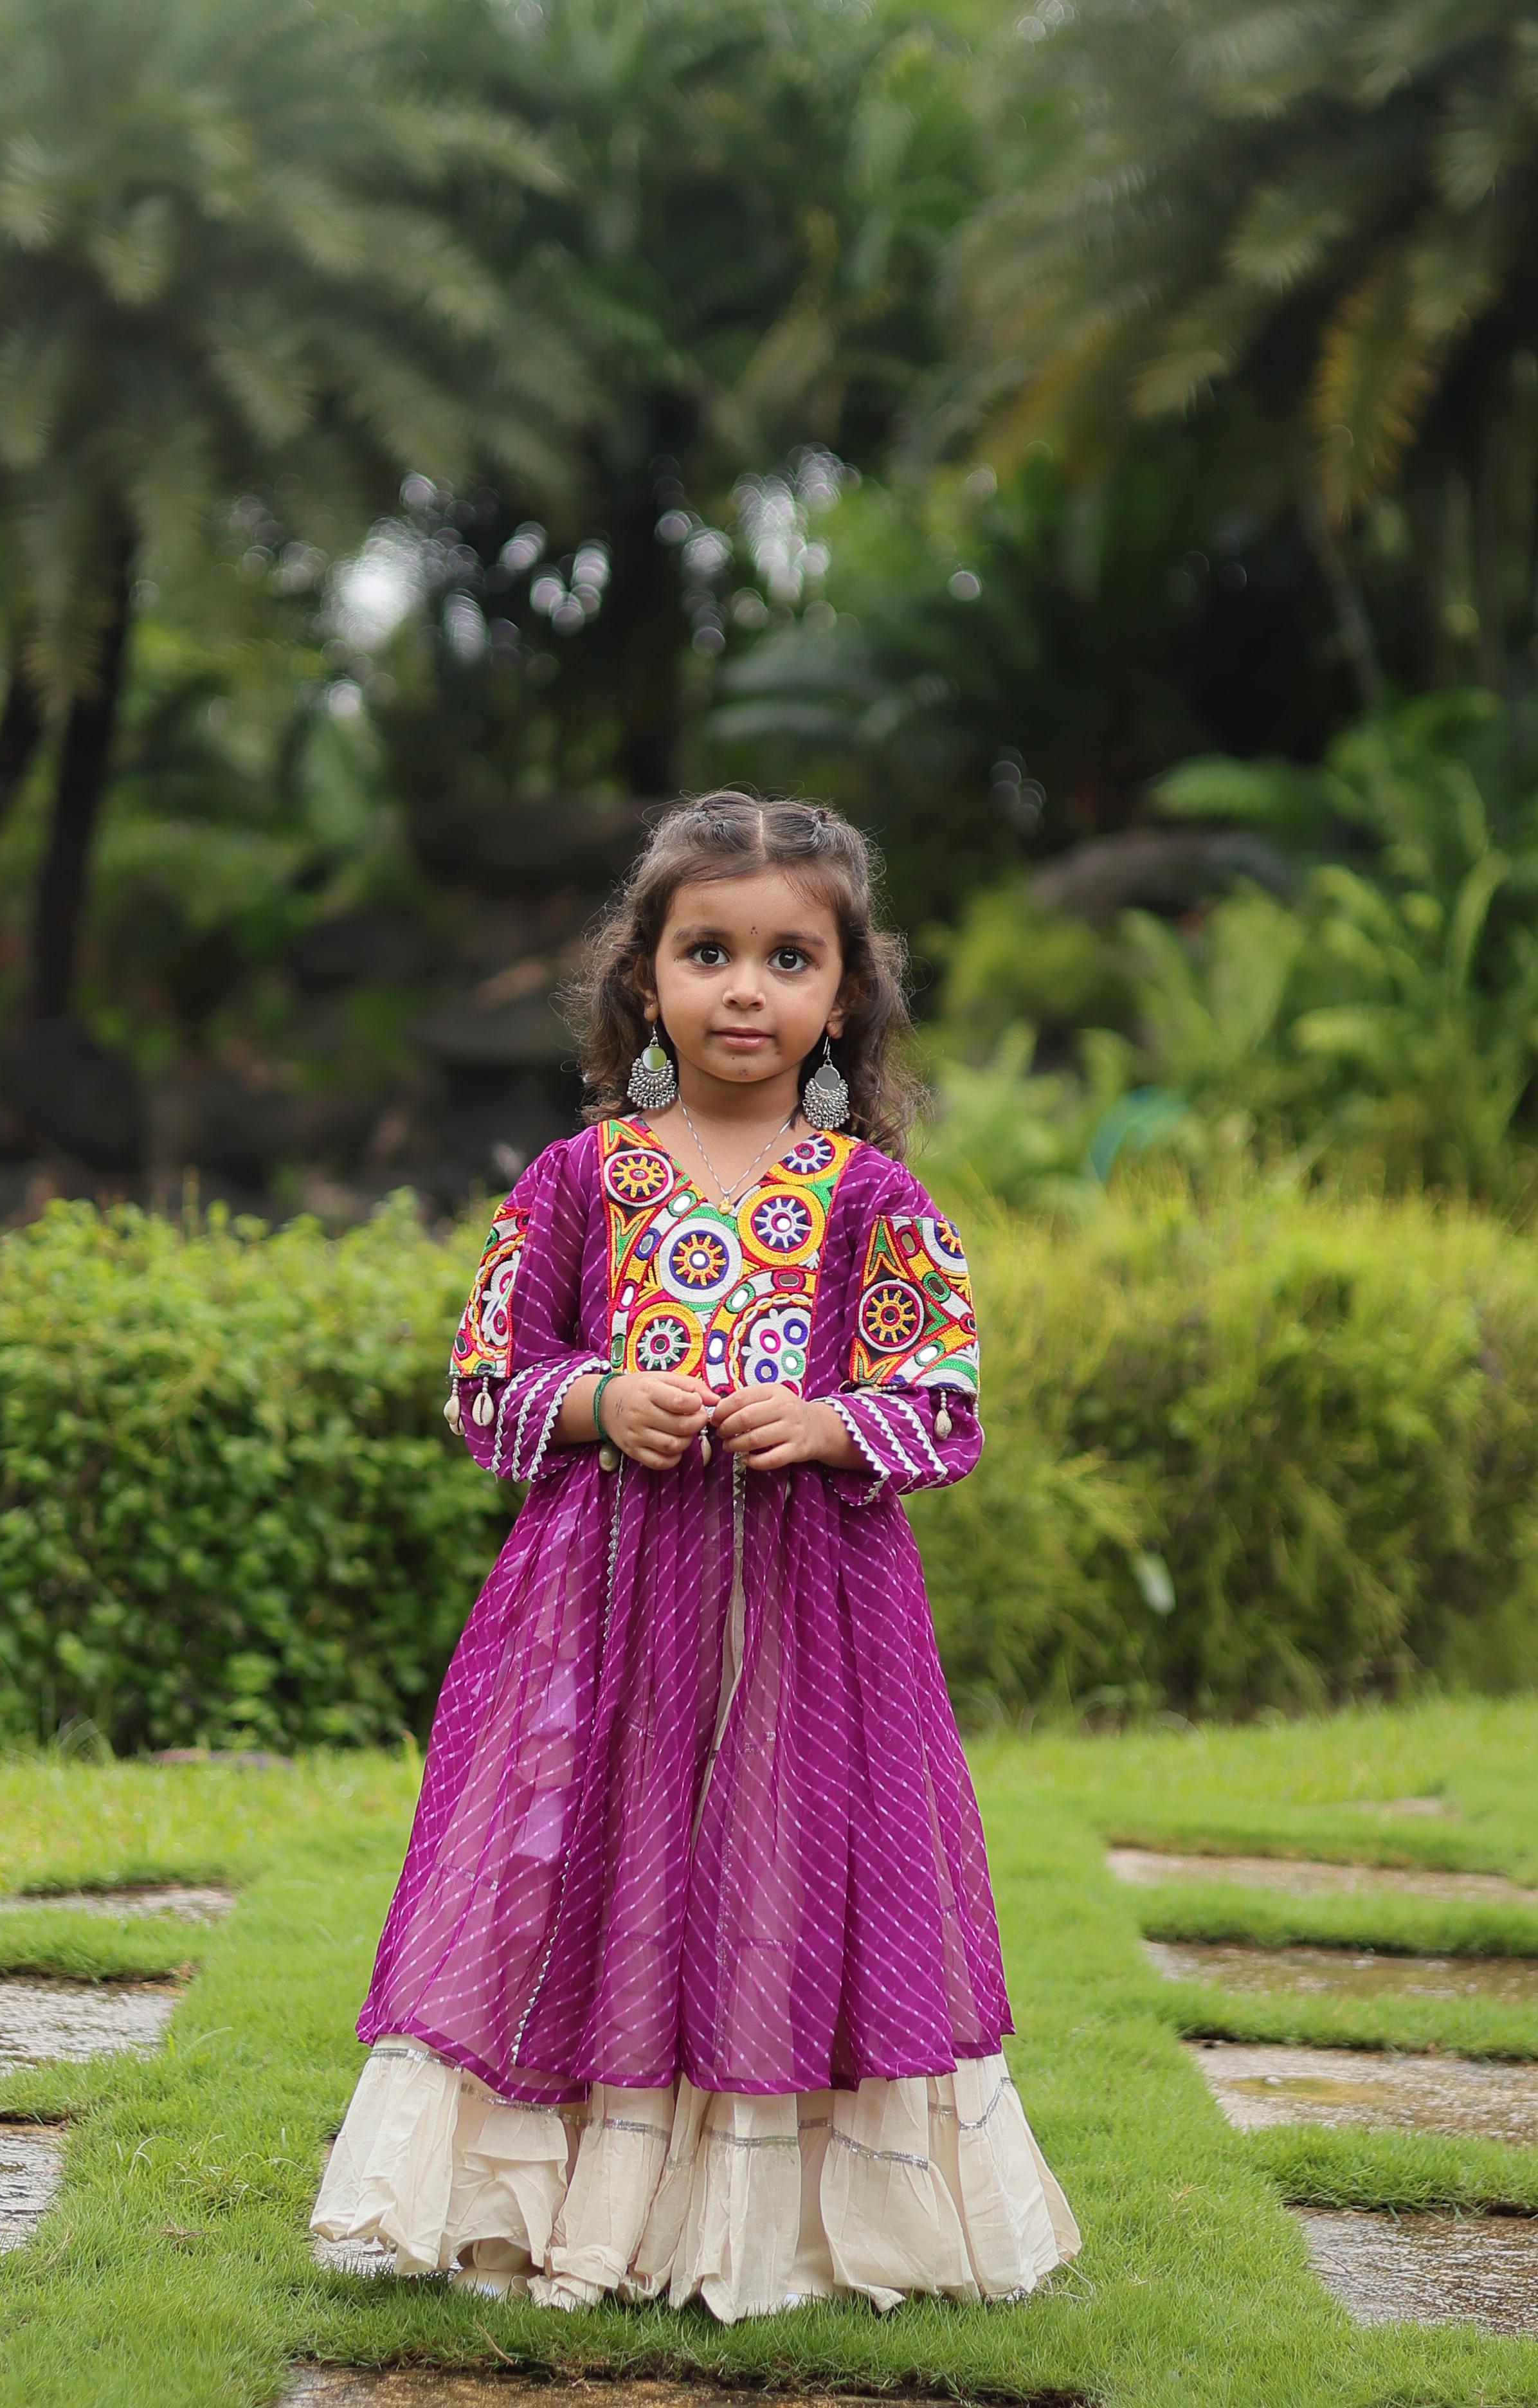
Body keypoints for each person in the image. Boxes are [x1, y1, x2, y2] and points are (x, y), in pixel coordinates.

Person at [311, 792, 1080, 2320]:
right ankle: (544, 2203)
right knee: (590, 1871)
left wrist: (826, 1424)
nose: (747, 988)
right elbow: (485, 1378)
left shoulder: (876, 1202)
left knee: (776, 1877)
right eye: (709, 952)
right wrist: (599, 1400)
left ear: (845, 995)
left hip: (807, 1620)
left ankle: (765, 2218)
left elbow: (941, 1402)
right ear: (643, 981)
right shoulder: (580, 1181)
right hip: (596, 1615)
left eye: (789, 958)